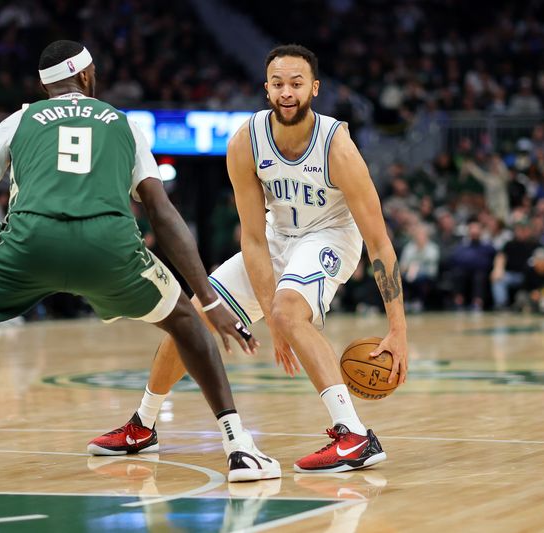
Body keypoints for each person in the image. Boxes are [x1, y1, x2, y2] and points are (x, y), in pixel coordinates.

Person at [0, 40, 280, 490]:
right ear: (87, 77)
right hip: (108, 245)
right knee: (186, 324)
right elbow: (162, 214)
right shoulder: (122, 124)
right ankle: (238, 447)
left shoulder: (17, 120)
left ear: (46, 85)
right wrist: (207, 298)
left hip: (30, 242)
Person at [88, 44, 409, 473]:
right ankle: (143, 425)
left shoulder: (338, 148)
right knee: (195, 315)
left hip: (331, 235)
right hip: (276, 239)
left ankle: (353, 434)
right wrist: (271, 319)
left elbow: (379, 242)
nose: (287, 92)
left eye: (296, 83)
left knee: (291, 310)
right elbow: (254, 239)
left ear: (314, 88)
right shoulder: (245, 141)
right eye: (278, 84)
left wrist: (398, 329)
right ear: (267, 89)